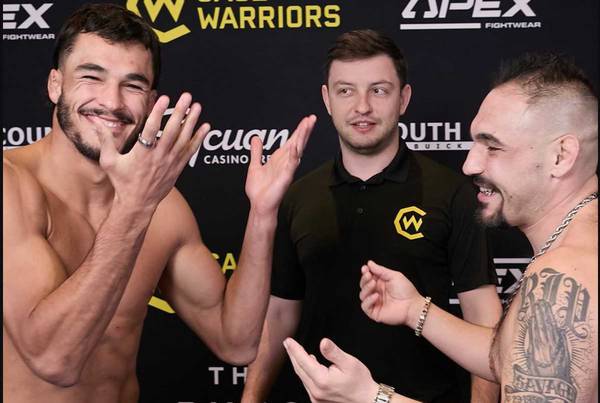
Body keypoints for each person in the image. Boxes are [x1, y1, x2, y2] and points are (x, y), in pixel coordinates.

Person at [2, 4, 316, 402]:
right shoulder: (12, 186)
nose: (112, 102)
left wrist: (262, 214)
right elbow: (54, 360)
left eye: (132, 85)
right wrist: (134, 208)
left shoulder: (162, 206)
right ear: (55, 85)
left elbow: (235, 342)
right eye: (91, 77)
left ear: (151, 102)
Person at [283, 52, 598, 403]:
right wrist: (417, 309)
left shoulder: (563, 276)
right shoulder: (580, 247)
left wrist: (371, 396)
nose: (470, 164)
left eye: (492, 146)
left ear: (561, 156)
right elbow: (509, 358)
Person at [242, 29, 502, 403]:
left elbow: (482, 317)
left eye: (378, 90)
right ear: (327, 99)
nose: (362, 106)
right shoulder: (296, 197)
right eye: (346, 91)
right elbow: (279, 315)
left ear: (403, 98)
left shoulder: (452, 194)